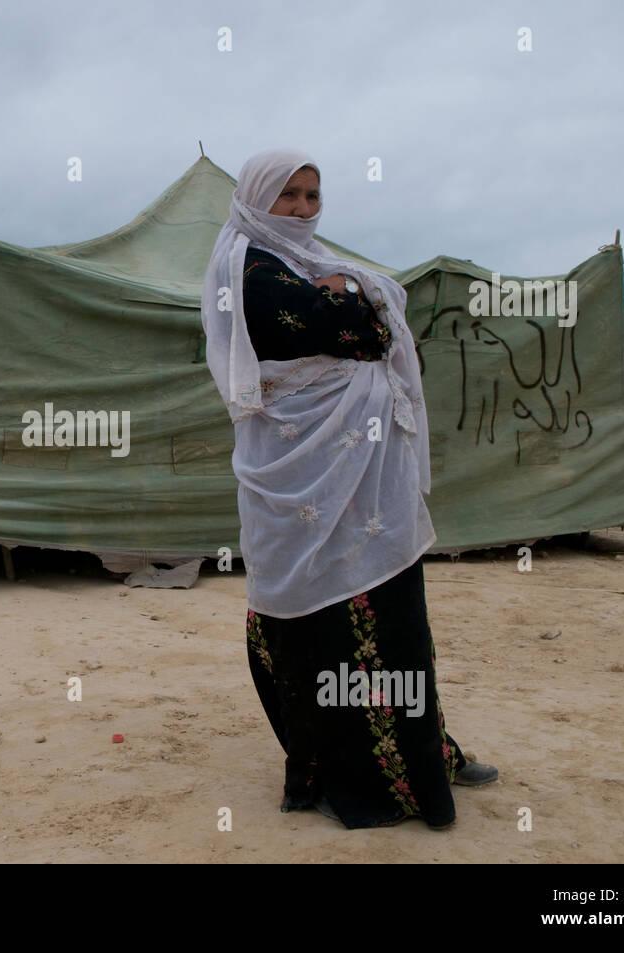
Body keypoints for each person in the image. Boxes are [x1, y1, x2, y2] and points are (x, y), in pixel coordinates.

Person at [201, 148, 496, 830]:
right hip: (295, 480)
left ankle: (426, 759)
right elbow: (352, 327)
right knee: (312, 630)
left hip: (363, 486)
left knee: (394, 626)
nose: (304, 208)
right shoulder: (244, 268)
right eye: (289, 196)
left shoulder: (305, 261)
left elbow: (368, 325)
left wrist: (349, 294)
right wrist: (355, 297)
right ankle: (333, 774)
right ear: (255, 198)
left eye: (313, 194)